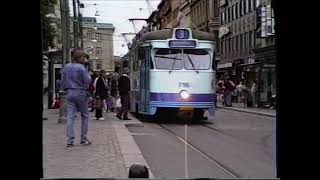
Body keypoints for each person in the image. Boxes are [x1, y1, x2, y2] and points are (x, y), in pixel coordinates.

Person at [60, 48, 91, 147]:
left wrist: (66, 89)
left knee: (70, 116)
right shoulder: (82, 68)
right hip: (81, 92)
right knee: (84, 116)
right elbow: (87, 81)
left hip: (69, 93)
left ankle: (70, 140)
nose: (84, 59)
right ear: (80, 57)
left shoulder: (66, 67)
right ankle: (83, 139)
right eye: (83, 57)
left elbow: (63, 81)